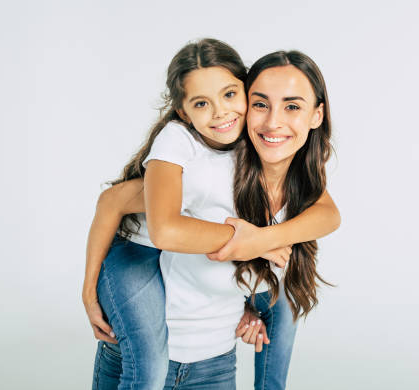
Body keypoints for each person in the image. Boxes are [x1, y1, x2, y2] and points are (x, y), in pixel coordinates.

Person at [82, 39, 339, 390]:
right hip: (138, 270)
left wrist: (260, 251)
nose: (221, 112)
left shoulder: (281, 168)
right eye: (262, 103)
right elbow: (118, 204)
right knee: (149, 366)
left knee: (287, 300)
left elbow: (329, 215)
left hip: (213, 355)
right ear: (184, 111)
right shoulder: (197, 161)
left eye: (230, 96)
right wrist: (245, 244)